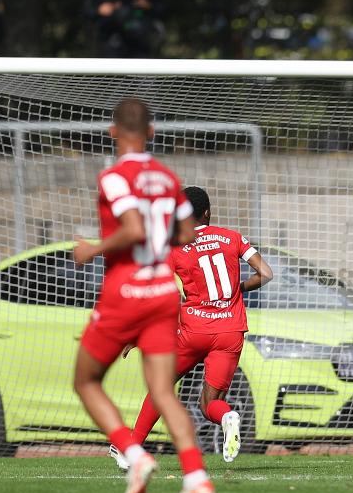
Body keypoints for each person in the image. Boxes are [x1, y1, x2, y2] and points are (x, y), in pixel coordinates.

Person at [73, 98, 214, 493]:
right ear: (151, 132)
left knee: (86, 381)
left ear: (113, 131)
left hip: (125, 293)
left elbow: (132, 228)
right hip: (163, 294)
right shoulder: (169, 178)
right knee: (163, 390)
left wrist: (93, 249)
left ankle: (134, 455)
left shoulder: (115, 177)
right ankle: (196, 477)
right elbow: (187, 234)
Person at [110, 186, 273, 470]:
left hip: (193, 331)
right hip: (231, 331)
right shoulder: (232, 237)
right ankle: (226, 417)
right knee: (210, 402)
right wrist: (239, 289)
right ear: (208, 212)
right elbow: (267, 273)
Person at [84, 0, 163, 58]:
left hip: (140, 41)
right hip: (109, 40)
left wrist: (147, 5)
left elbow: (161, 9)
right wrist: (99, 10)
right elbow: (87, 11)